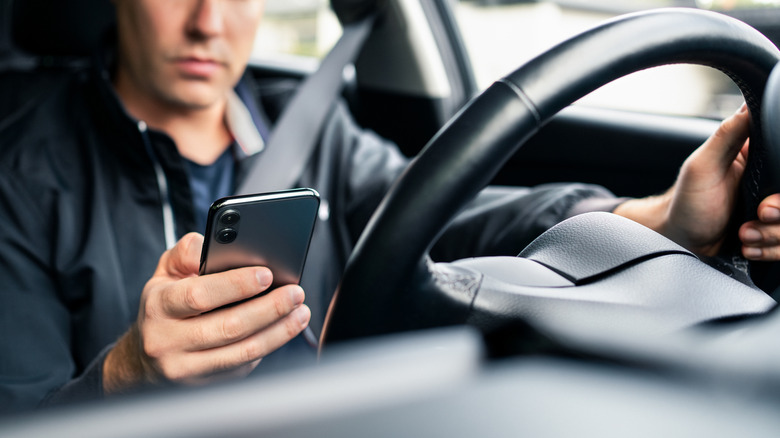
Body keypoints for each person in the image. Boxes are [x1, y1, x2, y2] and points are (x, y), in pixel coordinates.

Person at [1, 0, 779, 413]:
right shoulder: (22, 171)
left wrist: (665, 218)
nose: (210, 19)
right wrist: (129, 374)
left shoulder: (314, 129)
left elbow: (454, 213)